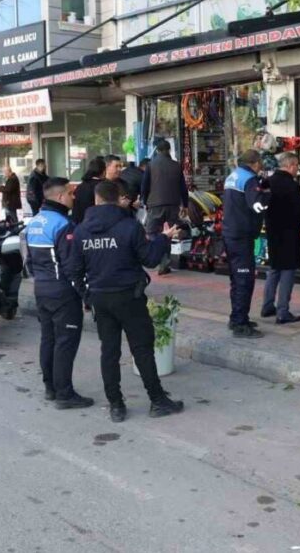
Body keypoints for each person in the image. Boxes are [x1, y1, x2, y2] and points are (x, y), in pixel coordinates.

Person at [65, 181, 184, 423]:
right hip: (129, 297)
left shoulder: (81, 231)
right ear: (117, 199)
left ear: (96, 200)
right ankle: (157, 400)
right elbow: (150, 260)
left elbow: (73, 270)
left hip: (100, 298)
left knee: (109, 352)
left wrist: (86, 296)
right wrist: (163, 238)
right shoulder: (130, 227)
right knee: (142, 349)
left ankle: (116, 406)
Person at [23, 177, 93, 410]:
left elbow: (29, 262)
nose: (74, 197)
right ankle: (65, 393)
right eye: (71, 193)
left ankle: (51, 387)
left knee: (48, 338)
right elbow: (71, 266)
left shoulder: (34, 222)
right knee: (65, 342)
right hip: (62, 293)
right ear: (61, 196)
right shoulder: (63, 225)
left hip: (41, 289)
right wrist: (85, 294)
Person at [222, 150, 271, 338]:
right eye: (260, 163)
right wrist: (267, 195)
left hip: (231, 233)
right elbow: (258, 206)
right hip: (241, 236)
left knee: (236, 279)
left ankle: (236, 317)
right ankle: (240, 323)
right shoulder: (250, 180)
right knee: (244, 279)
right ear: (255, 163)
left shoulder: (232, 176)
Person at [261, 152, 300, 325]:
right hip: (289, 232)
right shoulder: (291, 185)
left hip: (272, 230)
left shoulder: (268, 182)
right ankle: (283, 311)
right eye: (297, 165)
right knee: (288, 270)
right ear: (291, 165)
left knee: (274, 268)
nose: (298, 169)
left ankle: (267, 305)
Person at [141, 140, 189, 274]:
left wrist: (144, 201)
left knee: (152, 232)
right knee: (170, 233)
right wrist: (184, 205)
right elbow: (183, 187)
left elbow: (144, 186)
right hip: (173, 204)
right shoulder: (176, 165)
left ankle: (158, 259)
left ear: (157, 150)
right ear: (169, 150)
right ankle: (165, 261)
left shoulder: (151, 165)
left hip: (155, 204)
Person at [70, 157, 105, 224]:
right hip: (94, 224)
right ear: (103, 172)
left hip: (78, 223)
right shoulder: (102, 187)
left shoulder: (81, 186)